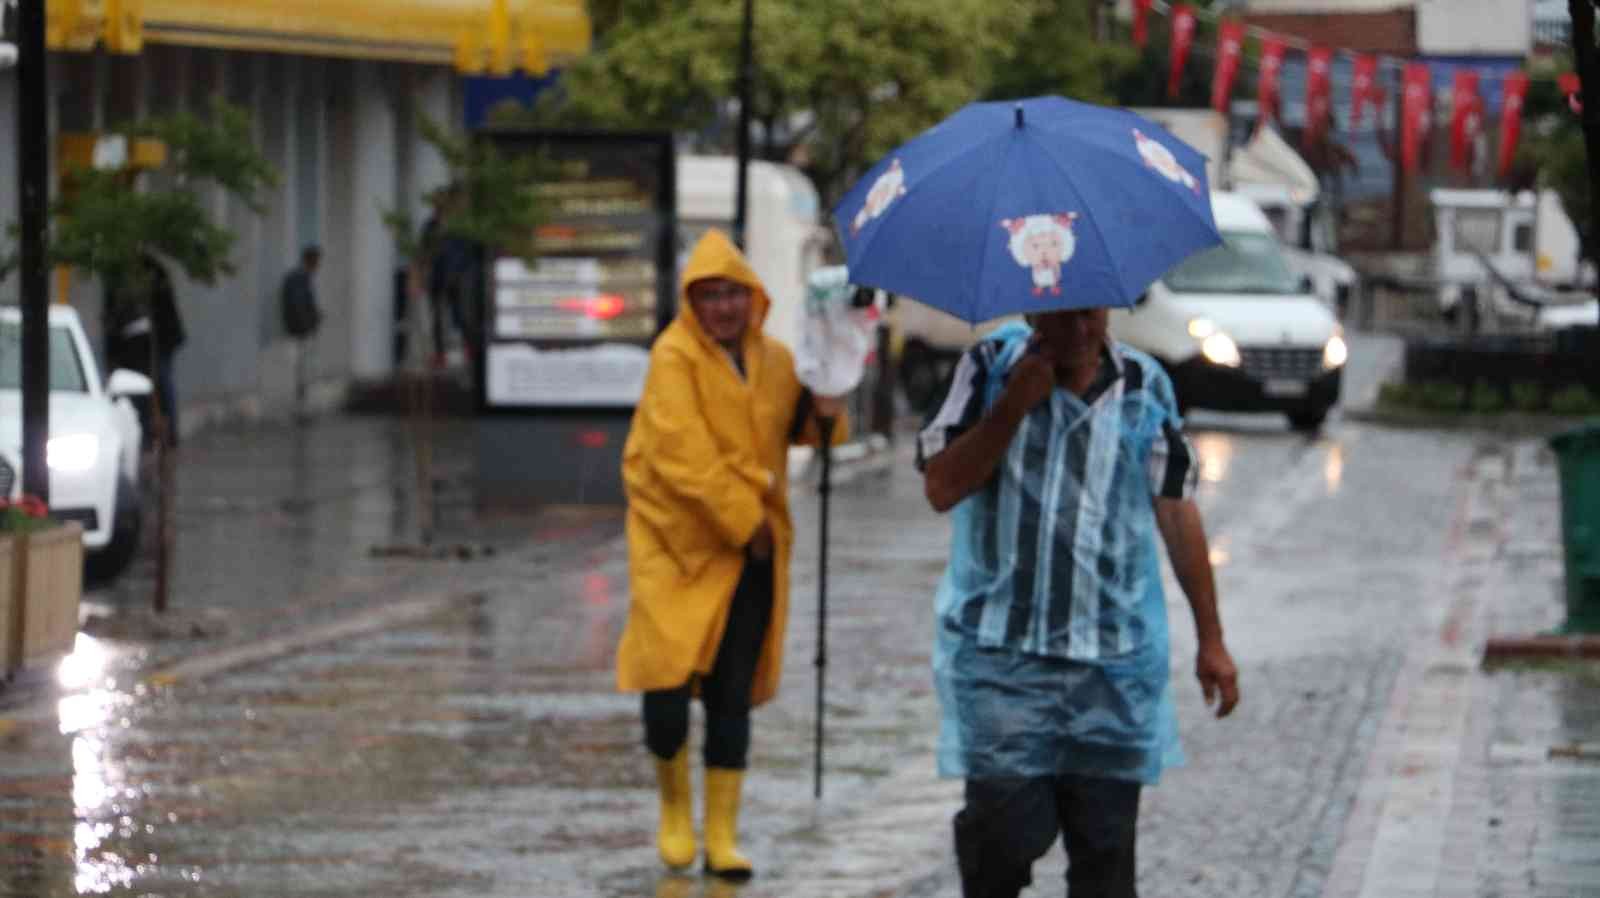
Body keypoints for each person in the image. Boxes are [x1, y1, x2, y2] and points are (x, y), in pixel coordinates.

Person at [917, 307, 1241, 898]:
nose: (1079, 331)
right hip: (1000, 657)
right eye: (1061, 315)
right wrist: (1013, 406)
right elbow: (942, 486)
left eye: (1090, 313)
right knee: (1003, 837)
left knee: (1105, 856)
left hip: (1111, 661)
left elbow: (1176, 509)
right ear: (1032, 310)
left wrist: (1211, 639)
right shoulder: (986, 369)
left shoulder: (1145, 386)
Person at [615, 229, 847, 880]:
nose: (722, 307)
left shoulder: (773, 359)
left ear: (752, 299)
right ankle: (673, 809)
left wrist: (829, 400)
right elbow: (680, 457)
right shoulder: (672, 358)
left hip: (752, 553)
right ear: (692, 301)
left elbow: (808, 424)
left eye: (732, 295)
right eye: (709, 295)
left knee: (730, 695)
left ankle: (721, 833)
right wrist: (746, 520)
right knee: (663, 684)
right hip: (678, 547)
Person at [105, 253, 186, 447]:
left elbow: (168, 317)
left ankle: (169, 435)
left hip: (157, 347)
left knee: (163, 386)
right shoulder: (116, 277)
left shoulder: (155, 272)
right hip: (128, 351)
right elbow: (111, 318)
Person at [280, 245, 323, 414]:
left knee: (302, 367)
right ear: (310, 261)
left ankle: (300, 400)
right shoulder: (299, 277)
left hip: (299, 330)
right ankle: (298, 403)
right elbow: (298, 305)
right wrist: (308, 324)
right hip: (298, 332)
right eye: (317, 262)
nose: (318, 267)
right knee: (300, 367)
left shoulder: (300, 277)